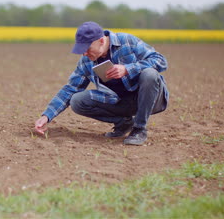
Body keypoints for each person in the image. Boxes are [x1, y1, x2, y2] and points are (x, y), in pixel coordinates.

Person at [34, 21, 169, 145]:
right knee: (77, 101)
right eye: (81, 50)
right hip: (122, 102)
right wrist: (46, 116)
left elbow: (160, 60)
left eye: (87, 48)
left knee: (149, 74)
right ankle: (124, 123)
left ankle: (139, 129)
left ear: (101, 41)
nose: (84, 54)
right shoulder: (86, 61)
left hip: (151, 98)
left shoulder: (127, 42)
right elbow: (71, 88)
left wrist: (128, 69)